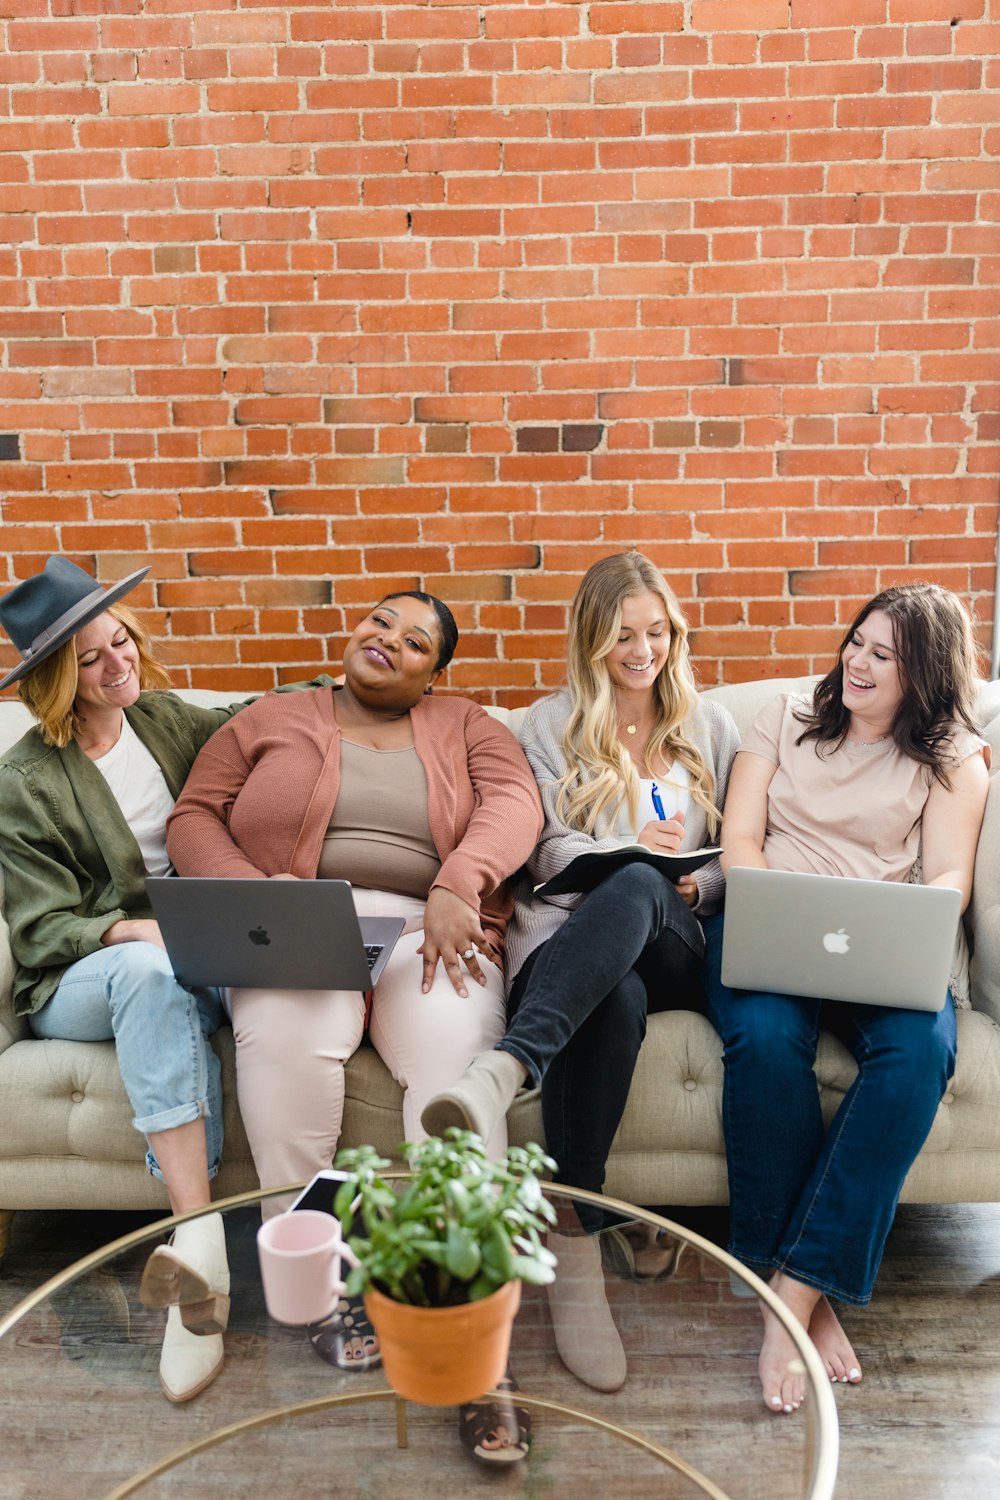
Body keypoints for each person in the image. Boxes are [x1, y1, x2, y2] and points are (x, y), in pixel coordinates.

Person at [165, 589, 544, 1464]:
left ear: (433, 674)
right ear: (354, 630)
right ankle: (326, 1281)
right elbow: (193, 818)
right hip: (298, 926)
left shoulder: (470, 725)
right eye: (382, 622)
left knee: (456, 1066)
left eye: (416, 642)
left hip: (430, 925)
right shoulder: (269, 717)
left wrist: (459, 881)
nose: (390, 642)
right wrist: (259, 897)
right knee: (288, 1044)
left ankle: (466, 1317)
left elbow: (515, 805)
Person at [0, 558, 332, 1405]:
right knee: (153, 971)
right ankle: (198, 1252)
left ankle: (322, 1230)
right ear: (51, 682)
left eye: (122, 642)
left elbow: (253, 713)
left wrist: (351, 681)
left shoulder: (161, 720)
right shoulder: (23, 782)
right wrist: (136, 927)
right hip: (85, 977)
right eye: (91, 660)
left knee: (285, 971)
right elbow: (41, 929)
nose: (120, 666)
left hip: (190, 953)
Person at [421, 551, 740, 1392]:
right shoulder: (544, 725)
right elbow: (546, 846)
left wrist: (698, 880)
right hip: (568, 941)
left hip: (679, 934)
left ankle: (509, 1064)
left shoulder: (712, 728)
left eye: (657, 632)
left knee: (642, 890)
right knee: (615, 987)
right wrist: (623, 854)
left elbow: (746, 848)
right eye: (622, 635)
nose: (643, 651)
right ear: (591, 638)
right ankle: (576, 1228)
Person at [702, 583, 989, 1416]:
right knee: (762, 1040)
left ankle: (791, 1292)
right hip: (771, 923)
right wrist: (765, 907)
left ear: (925, 674)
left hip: (880, 938)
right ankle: (810, 1299)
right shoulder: (785, 717)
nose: (856, 663)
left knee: (921, 1054)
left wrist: (907, 919)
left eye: (883, 655)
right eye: (856, 643)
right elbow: (743, 837)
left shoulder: (951, 755)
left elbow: (949, 878)